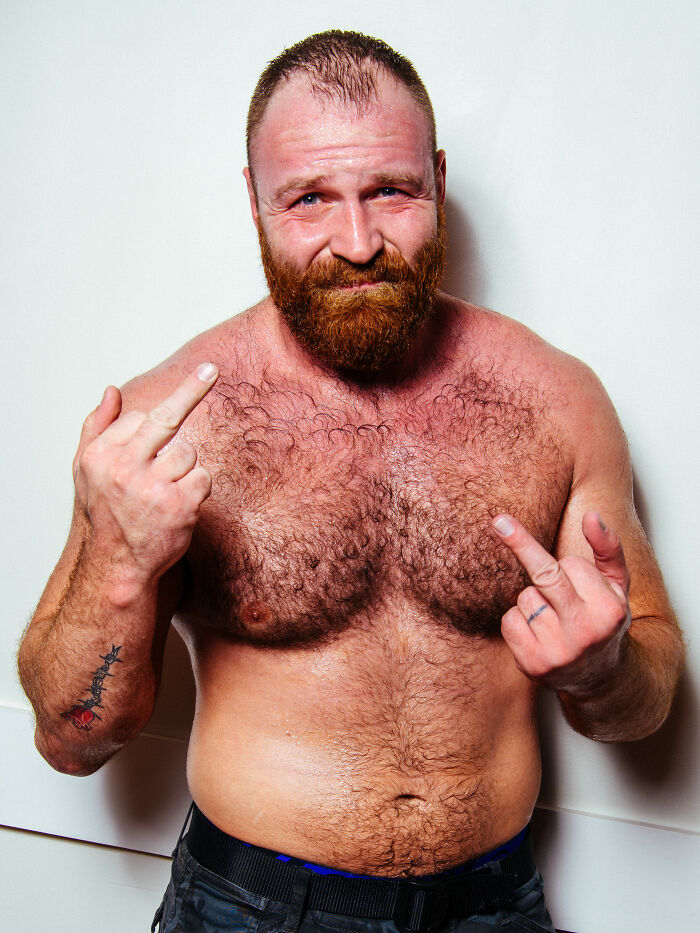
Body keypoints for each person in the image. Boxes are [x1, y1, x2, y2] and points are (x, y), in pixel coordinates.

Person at [18, 29, 684, 933]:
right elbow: (71, 740)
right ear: (254, 202)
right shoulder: (166, 424)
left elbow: (645, 705)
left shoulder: (558, 402)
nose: (359, 243)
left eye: (391, 191)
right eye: (309, 199)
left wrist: (605, 670)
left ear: (438, 181)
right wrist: (119, 564)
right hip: (249, 909)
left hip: (495, 907)